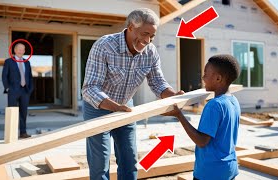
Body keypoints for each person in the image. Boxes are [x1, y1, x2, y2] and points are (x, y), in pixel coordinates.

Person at [81, 8, 184, 180]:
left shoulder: (150, 52)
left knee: (129, 160)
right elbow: (90, 88)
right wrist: (114, 107)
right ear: (130, 27)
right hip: (97, 107)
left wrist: (173, 95)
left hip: (126, 106)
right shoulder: (104, 46)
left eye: (152, 36)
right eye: (144, 33)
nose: (147, 40)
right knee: (100, 163)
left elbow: (158, 83)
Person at [169, 54, 241, 180]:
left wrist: (179, 115)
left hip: (210, 173)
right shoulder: (233, 101)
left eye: (206, 74)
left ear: (218, 78)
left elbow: (202, 141)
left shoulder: (214, 105)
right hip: (229, 168)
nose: (203, 78)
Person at [2, 43, 34, 139]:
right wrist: (7, 88)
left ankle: (23, 133)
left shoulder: (27, 62)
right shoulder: (8, 61)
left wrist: (30, 89)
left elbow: (30, 77)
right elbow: (4, 76)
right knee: (12, 113)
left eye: (23, 49)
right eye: (19, 49)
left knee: (23, 113)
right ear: (15, 50)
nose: (21, 51)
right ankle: (11, 134)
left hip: (25, 91)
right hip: (13, 91)